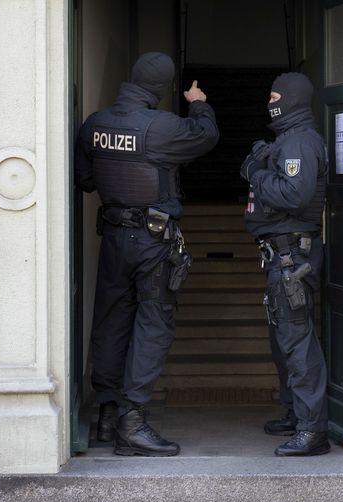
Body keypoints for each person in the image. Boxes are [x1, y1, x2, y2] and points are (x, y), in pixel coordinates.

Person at [75, 52, 219, 456]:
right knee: (153, 323)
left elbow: (85, 180)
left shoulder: (95, 125)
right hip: (152, 242)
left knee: (111, 319)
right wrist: (199, 103)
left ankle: (106, 413)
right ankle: (132, 421)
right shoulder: (163, 127)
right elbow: (206, 137)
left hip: (114, 239)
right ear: (163, 88)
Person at [240, 72, 329, 456]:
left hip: (293, 255)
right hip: (281, 255)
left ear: (291, 100)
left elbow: (294, 195)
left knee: (297, 342)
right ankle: (296, 413)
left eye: (275, 95)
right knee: (284, 342)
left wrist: (257, 174)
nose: (269, 101)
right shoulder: (287, 141)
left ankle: (313, 431)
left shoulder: (299, 142)